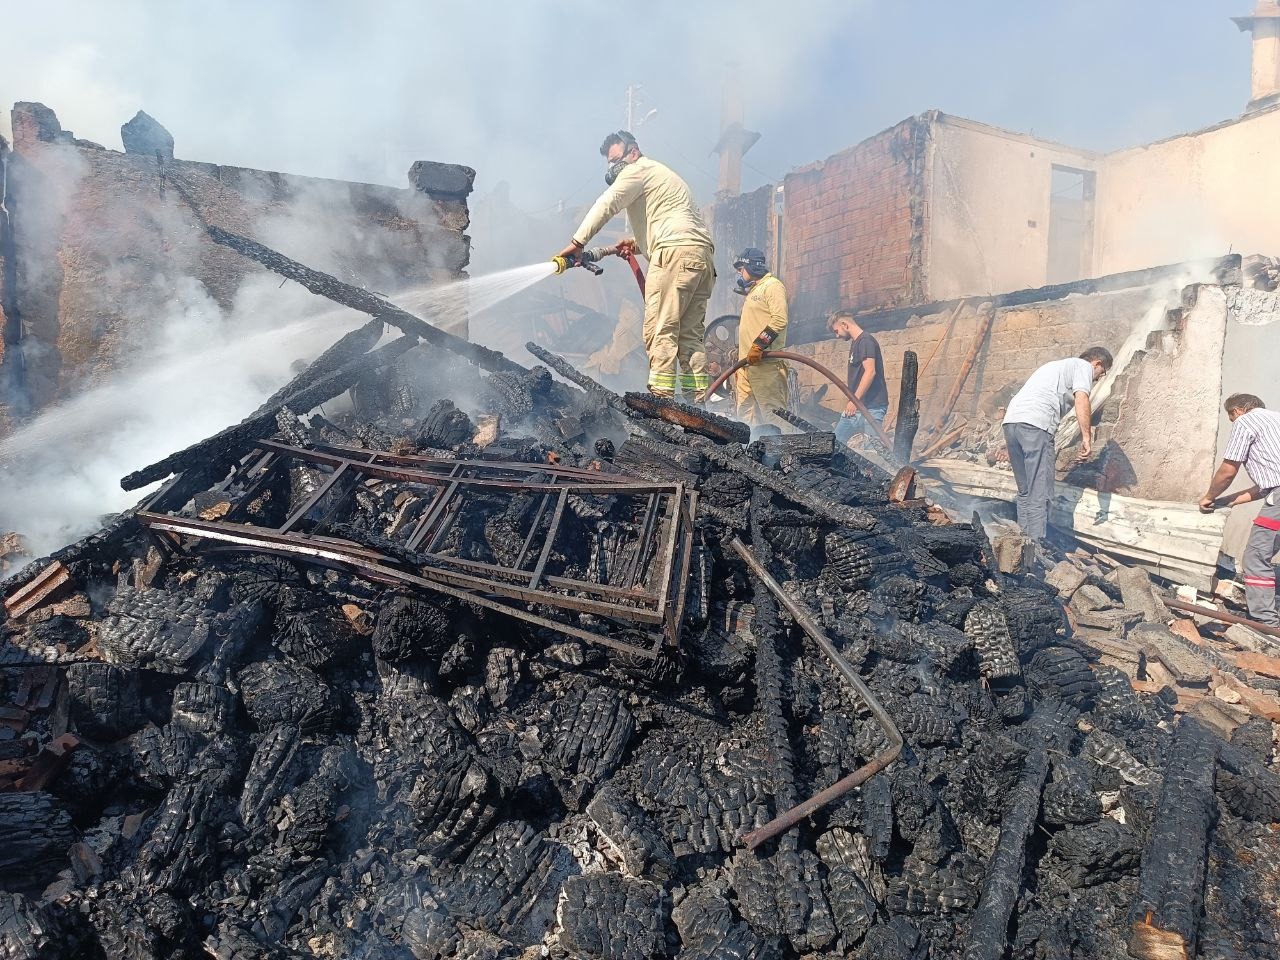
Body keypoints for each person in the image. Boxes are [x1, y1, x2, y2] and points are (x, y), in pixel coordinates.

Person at [555, 131, 715, 400]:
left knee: (660, 329)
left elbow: (607, 203)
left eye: (616, 158)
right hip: (700, 259)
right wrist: (637, 244)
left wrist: (577, 242)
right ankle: (698, 404)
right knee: (691, 337)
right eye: (609, 162)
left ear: (634, 152)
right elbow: (675, 228)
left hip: (674, 255)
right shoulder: (662, 175)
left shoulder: (637, 170)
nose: (613, 166)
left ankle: (662, 401)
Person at [1001, 347, 1113, 540]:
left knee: (1025, 489)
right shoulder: (1083, 367)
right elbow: (1082, 398)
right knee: (1039, 490)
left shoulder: (1055, 367)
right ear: (1097, 364)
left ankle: (1021, 541)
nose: (1095, 380)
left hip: (1011, 423)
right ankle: (1035, 544)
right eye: (1099, 375)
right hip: (1036, 425)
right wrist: (1087, 437)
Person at [1198, 393, 1280, 625]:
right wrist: (1225, 501)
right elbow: (1265, 487)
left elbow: (1228, 469)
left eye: (1231, 418)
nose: (1233, 423)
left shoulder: (1246, 421)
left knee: (1255, 558)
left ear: (1238, 411)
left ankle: (1265, 623)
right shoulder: (1276, 420)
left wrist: (1209, 496)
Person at [733, 248, 789, 430]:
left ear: (751, 266)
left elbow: (779, 319)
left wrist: (759, 346)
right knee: (744, 421)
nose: (739, 273)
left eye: (741, 268)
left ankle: (787, 454)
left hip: (766, 365)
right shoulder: (753, 291)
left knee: (775, 416)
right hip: (745, 366)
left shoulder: (772, 286)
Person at [827, 312, 888, 447]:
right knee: (835, 444)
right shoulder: (856, 343)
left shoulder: (865, 341)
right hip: (857, 408)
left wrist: (855, 400)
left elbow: (870, 371)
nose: (837, 336)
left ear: (844, 324)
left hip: (872, 408)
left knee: (873, 451)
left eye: (837, 331)